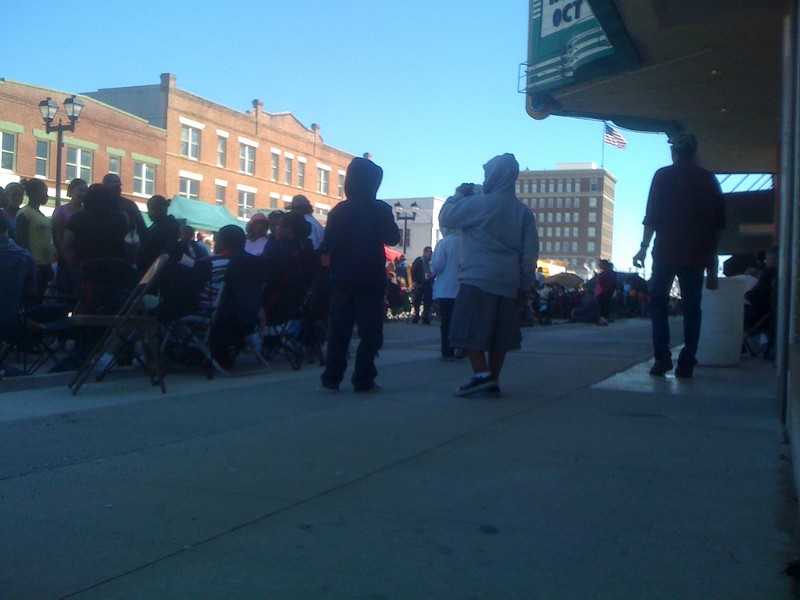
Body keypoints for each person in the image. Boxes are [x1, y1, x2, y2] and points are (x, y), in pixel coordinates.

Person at [439, 153, 539, 397]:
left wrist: (459, 194)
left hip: (477, 278)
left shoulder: (479, 204)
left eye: (487, 174)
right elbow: (530, 253)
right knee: (499, 334)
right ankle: (493, 379)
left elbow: (446, 218)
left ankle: (481, 374)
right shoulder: (523, 212)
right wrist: (525, 284)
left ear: (494, 176)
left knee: (469, 329)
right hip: (509, 281)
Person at [633, 132, 726, 378]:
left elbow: (652, 217)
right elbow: (718, 226)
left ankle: (662, 359)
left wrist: (643, 247)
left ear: (673, 152)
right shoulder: (709, 180)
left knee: (658, 303)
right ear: (694, 152)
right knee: (692, 309)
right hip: (697, 257)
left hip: (665, 253)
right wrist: (712, 266)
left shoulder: (662, 176)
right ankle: (687, 363)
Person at [320, 156, 401, 393]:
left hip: (342, 277)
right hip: (369, 277)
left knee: (339, 329)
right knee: (370, 330)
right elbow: (393, 238)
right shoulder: (379, 209)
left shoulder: (338, 211)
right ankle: (364, 377)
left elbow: (328, 243)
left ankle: (331, 376)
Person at [16, 179, 54, 296]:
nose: (46, 196)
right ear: (33, 193)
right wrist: (30, 263)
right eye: (44, 192)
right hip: (34, 264)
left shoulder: (40, 215)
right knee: (33, 297)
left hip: (45, 262)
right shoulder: (24, 213)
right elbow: (22, 241)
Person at [52, 178, 87, 293]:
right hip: (64, 258)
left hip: (82, 259)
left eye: (85, 191)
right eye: (80, 190)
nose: (83, 194)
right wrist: (65, 256)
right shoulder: (60, 211)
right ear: (71, 191)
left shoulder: (86, 213)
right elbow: (56, 236)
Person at [103, 173, 147, 262]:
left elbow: (142, 230)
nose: (117, 191)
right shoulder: (99, 206)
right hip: (107, 252)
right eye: (113, 189)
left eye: (117, 188)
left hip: (125, 253)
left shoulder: (129, 205)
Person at [430, 230, 460, 360]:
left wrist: (433, 270)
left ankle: (447, 351)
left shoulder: (445, 243)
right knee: (461, 321)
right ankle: (462, 348)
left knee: (447, 320)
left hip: (447, 288)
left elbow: (437, 265)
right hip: (465, 287)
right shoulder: (470, 242)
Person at [138, 195, 180, 273]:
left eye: (150, 209)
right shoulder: (163, 226)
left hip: (155, 272)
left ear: (159, 209)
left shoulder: (165, 229)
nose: (148, 212)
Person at [411, 246, 434, 324]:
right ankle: (416, 315)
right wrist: (414, 281)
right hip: (420, 282)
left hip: (428, 283)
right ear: (425, 252)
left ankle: (425, 317)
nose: (431, 254)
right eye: (430, 253)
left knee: (428, 300)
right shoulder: (419, 260)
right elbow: (413, 270)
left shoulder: (432, 261)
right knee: (417, 300)